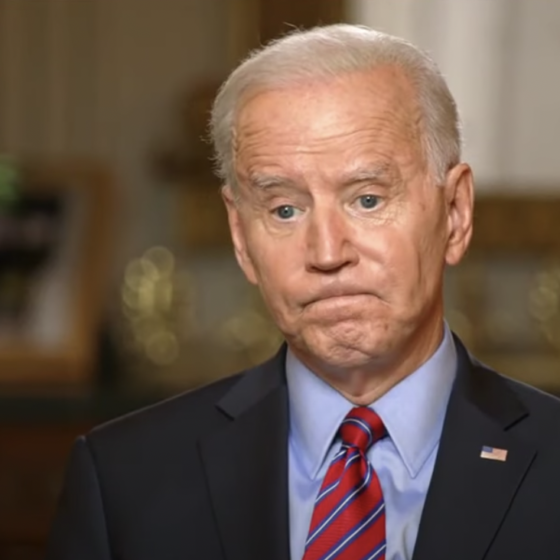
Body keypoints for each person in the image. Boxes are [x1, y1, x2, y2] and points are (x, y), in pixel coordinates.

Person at [46, 24, 560, 560]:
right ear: (241, 237)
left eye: (367, 200)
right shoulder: (123, 480)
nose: (327, 252)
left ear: (455, 213)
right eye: (285, 210)